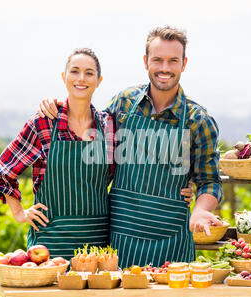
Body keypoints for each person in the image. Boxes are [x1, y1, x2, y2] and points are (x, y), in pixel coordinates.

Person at [37, 26, 223, 268]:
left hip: (172, 243)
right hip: (120, 242)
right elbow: (87, 124)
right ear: (146, 62)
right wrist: (58, 105)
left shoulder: (198, 121)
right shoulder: (124, 103)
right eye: (157, 60)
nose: (164, 68)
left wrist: (200, 210)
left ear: (183, 64)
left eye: (172, 61)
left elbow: (210, 181)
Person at [0, 48, 193, 260]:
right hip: (51, 242)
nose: (81, 78)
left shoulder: (108, 125)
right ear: (64, 77)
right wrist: (19, 212)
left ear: (99, 81)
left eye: (89, 73)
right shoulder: (44, 123)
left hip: (97, 245)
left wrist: (181, 183)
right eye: (75, 71)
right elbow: (5, 169)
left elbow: (138, 160)